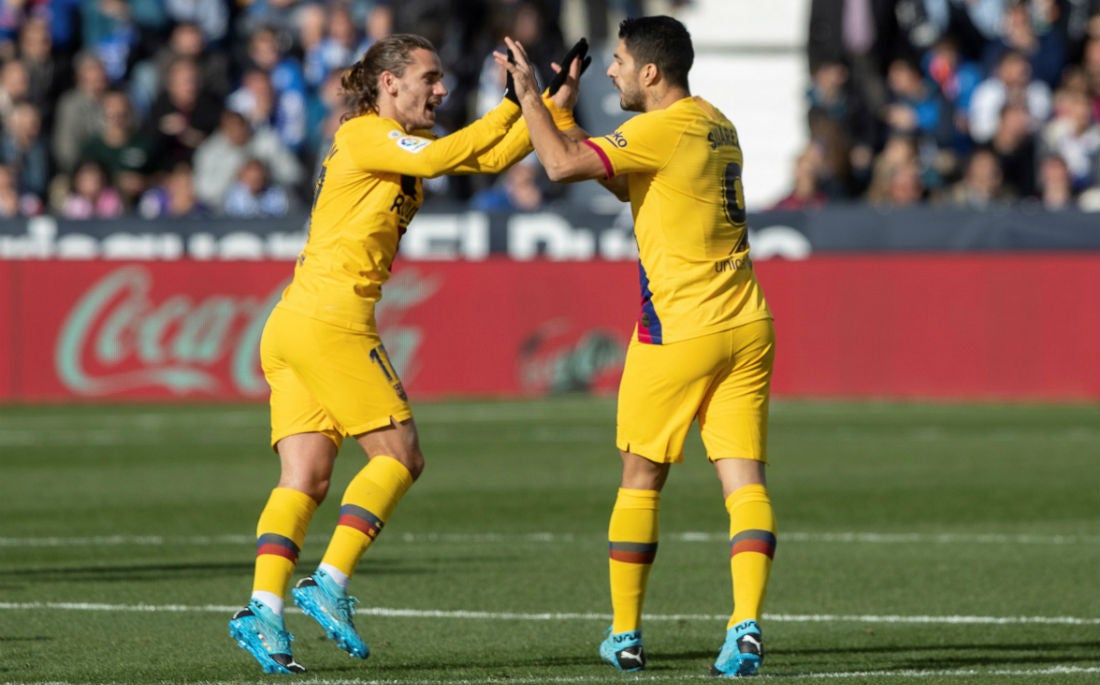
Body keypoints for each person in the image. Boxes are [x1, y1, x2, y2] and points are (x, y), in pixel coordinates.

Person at [227, 32, 583, 674]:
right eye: (429, 77)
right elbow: (451, 154)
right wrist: (510, 102)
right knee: (401, 456)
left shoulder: (391, 143)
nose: (440, 89)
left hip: (295, 322)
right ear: (388, 83)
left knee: (303, 478)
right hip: (330, 320)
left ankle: (263, 609)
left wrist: (547, 104)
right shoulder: (366, 133)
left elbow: (489, 160)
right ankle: (329, 583)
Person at [498, 15, 777, 678]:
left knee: (640, 476)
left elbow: (563, 167)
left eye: (620, 61)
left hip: (680, 328)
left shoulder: (659, 127)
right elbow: (624, 177)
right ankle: (746, 625)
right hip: (747, 322)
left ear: (652, 72)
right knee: (744, 481)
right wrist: (567, 121)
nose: (613, 71)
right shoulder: (714, 123)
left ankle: (624, 633)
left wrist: (532, 97)